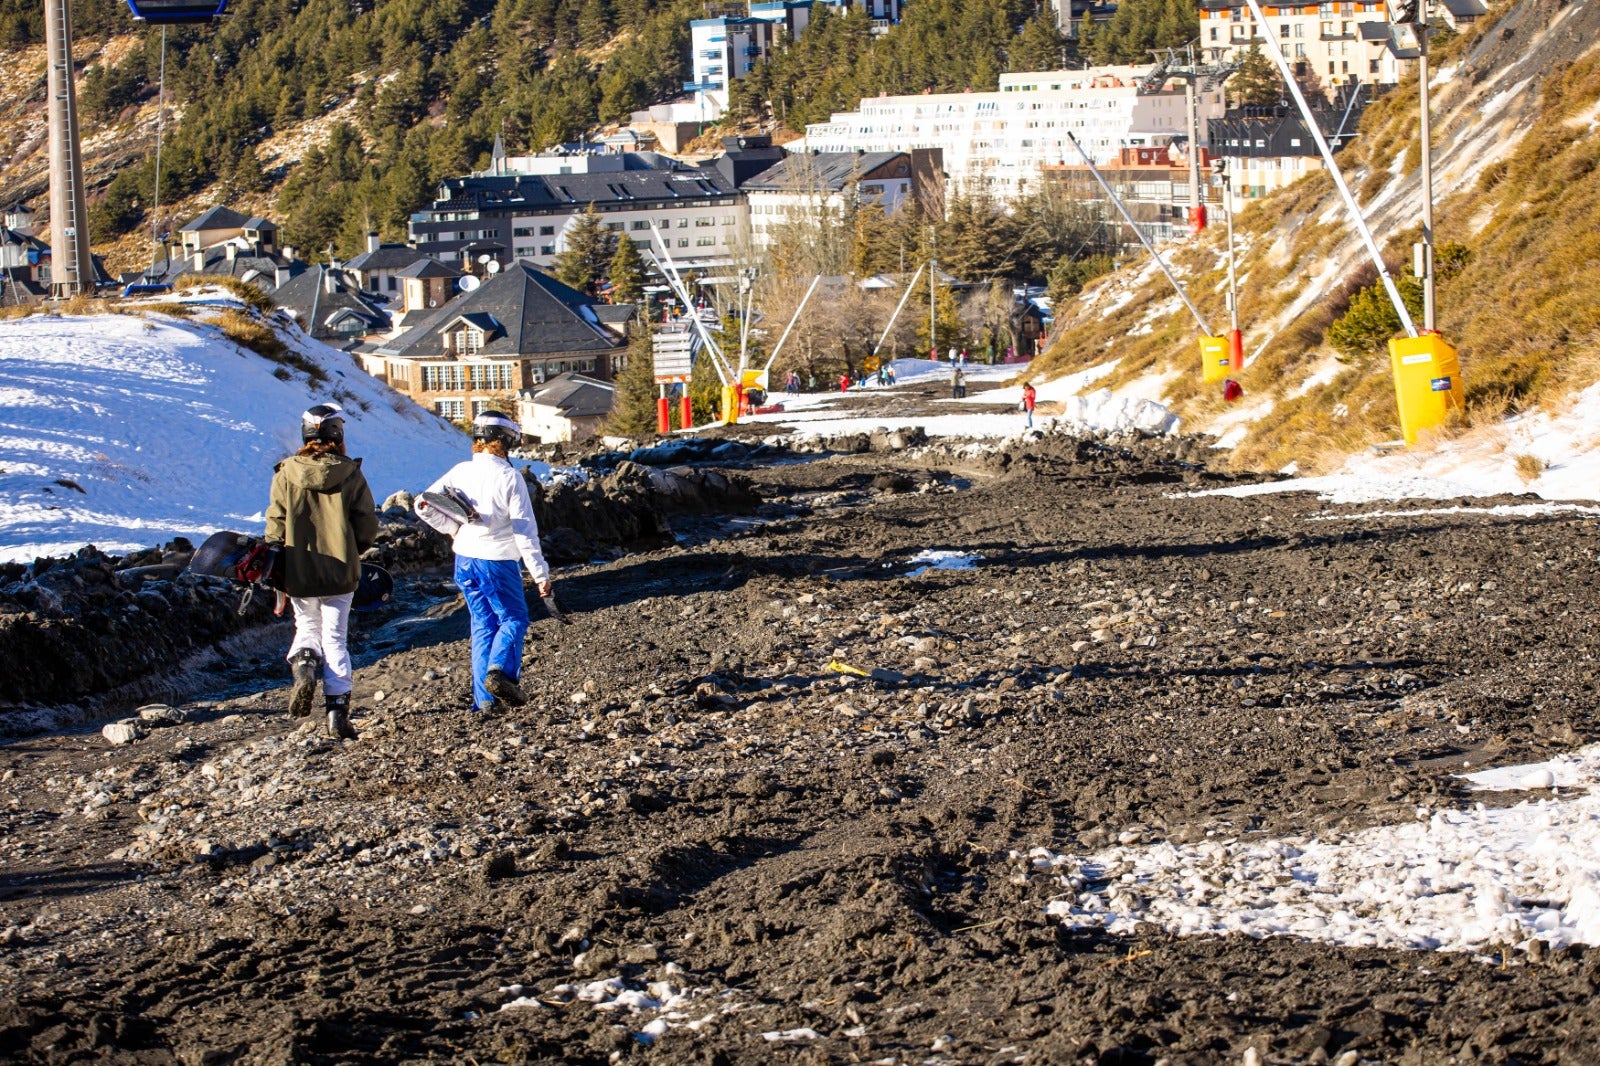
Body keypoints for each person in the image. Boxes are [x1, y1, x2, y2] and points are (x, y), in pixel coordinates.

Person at [425, 410, 552, 714]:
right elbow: (524, 532)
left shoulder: (459, 471)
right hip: (496, 561)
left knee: (483, 625)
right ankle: (500, 674)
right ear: (506, 440)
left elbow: (423, 503)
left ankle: (484, 701)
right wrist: (540, 574)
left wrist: (454, 528)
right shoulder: (510, 477)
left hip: (465, 559)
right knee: (513, 619)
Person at [267, 403, 379, 740]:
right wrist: (352, 550)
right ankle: (336, 714)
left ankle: (303, 665)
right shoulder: (350, 473)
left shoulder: (285, 472)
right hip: (341, 570)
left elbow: (275, 523)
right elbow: (367, 524)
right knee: (335, 639)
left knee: (307, 627)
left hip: (298, 570)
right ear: (338, 434)